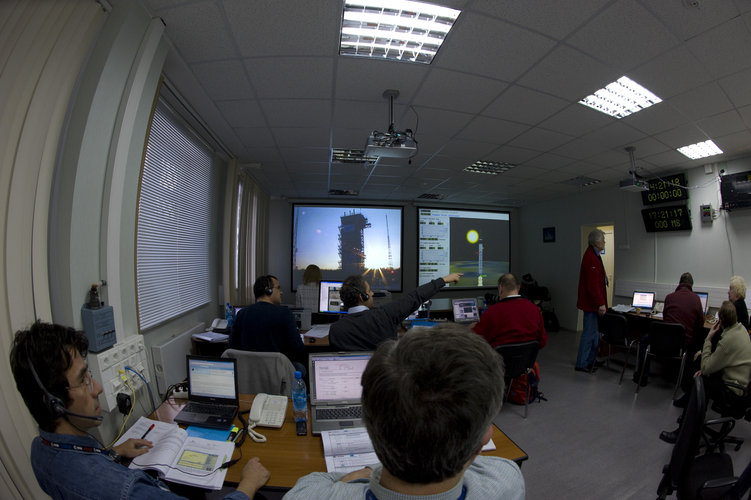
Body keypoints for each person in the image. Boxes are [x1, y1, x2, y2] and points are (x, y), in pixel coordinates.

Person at [9, 321, 270, 499]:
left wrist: (113, 453)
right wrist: (247, 484)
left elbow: (84, 474)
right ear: (52, 402)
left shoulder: (41, 449)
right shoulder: (125, 488)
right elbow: (106, 485)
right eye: (83, 379)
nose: (97, 388)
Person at [284, 323, 525, 499]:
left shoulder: (310, 495)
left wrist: (366, 472)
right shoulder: (506, 479)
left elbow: (314, 482)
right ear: (485, 436)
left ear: (368, 423)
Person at [660, 301, 751, 443]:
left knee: (699, 382)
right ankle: (688, 416)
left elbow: (708, 366)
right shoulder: (741, 330)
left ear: (720, 321)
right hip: (741, 386)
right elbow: (723, 357)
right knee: (701, 373)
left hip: (733, 392)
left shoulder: (728, 340)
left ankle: (684, 433)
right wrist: (705, 357)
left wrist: (708, 338)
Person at [328, 273, 461, 351]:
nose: (372, 293)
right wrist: (443, 280)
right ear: (363, 297)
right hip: (384, 382)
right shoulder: (384, 315)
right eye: (369, 291)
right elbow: (415, 296)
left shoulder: (335, 330)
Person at [634, 272, 704, 388]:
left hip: (662, 341)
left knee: (644, 339)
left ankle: (642, 377)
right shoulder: (696, 299)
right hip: (681, 344)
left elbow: (665, 317)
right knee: (695, 342)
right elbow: (700, 323)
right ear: (691, 285)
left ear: (679, 283)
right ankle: (683, 381)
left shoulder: (669, 297)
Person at [230, 274, 306, 373]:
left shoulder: (241, 314)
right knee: (301, 368)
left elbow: (232, 346)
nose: (281, 292)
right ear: (268, 290)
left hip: (249, 373)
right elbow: (298, 348)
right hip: (277, 373)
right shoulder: (284, 313)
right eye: (278, 288)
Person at [472, 273, 548, 349]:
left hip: (498, 359)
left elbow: (476, 341)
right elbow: (542, 341)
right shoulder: (534, 309)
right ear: (518, 288)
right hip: (527, 360)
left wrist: (472, 327)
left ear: (500, 288)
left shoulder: (492, 312)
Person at [575, 229, 608, 373]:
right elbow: (593, 286)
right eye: (603, 240)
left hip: (593, 304)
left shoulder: (595, 255)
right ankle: (582, 364)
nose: (604, 242)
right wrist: (601, 303)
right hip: (591, 305)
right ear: (596, 242)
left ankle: (590, 361)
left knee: (594, 335)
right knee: (589, 334)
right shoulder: (590, 258)